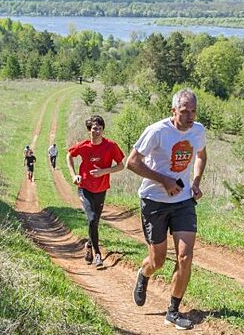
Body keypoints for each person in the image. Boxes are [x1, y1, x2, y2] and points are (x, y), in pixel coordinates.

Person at [126, 89, 207, 330]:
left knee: (185, 256)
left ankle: (173, 310)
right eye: (184, 111)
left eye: (193, 111)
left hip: (182, 201)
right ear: (173, 111)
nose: (190, 116)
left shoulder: (198, 131)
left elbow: (201, 155)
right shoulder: (158, 131)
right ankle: (144, 273)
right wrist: (164, 180)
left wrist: (195, 182)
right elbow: (131, 162)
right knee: (157, 260)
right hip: (154, 201)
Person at [66, 115, 125, 269]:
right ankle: (98, 255)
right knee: (92, 219)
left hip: (101, 189)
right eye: (94, 129)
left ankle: (89, 245)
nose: (97, 131)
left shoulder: (111, 146)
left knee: (95, 221)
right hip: (84, 187)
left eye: (99, 128)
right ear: (89, 131)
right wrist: (73, 175)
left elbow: (121, 165)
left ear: (103, 129)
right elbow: (69, 156)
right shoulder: (84, 146)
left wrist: (104, 171)